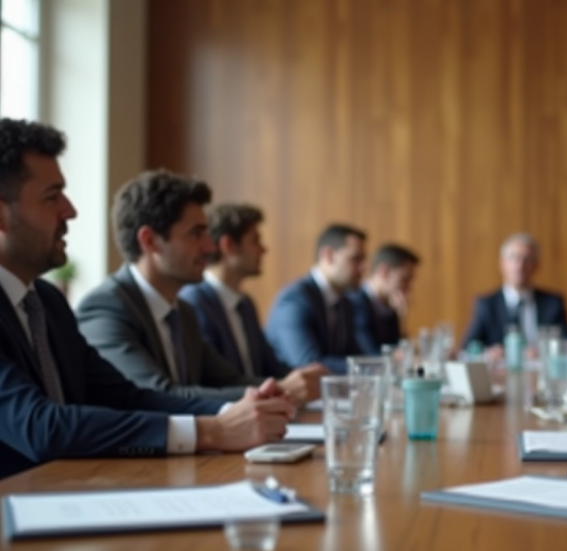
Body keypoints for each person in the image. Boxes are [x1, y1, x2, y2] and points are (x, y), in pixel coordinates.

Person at [0, 119, 292, 478]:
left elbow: (127, 397)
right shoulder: (94, 304)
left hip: (67, 494)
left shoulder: (46, 301)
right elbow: (42, 428)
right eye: (52, 196)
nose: (70, 210)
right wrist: (211, 431)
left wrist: (235, 411)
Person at [76, 172, 320, 403]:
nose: (210, 247)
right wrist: (279, 391)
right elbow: (157, 395)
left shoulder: (183, 311)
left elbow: (229, 381)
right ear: (150, 241)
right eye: (196, 234)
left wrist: (287, 386)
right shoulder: (105, 309)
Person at [178, 203, 328, 399]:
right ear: (229, 245)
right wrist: (285, 387)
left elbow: (269, 366)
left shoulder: (245, 304)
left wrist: (303, 378)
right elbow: (216, 381)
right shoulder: (193, 302)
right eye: (255, 241)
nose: (264, 249)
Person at [266, 224, 367, 373]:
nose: (363, 268)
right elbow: (308, 364)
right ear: (328, 255)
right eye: (355, 259)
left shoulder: (345, 303)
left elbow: (353, 355)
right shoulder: (294, 300)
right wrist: (371, 368)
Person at [461, 233, 567, 358]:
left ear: (536, 265)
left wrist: (543, 353)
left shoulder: (552, 303)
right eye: (513, 258)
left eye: (527, 259)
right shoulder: (487, 304)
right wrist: (487, 354)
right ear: (502, 263)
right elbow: (466, 349)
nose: (519, 266)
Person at [349, 243, 419, 355]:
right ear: (384, 272)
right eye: (405, 279)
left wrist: (402, 318)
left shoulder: (388, 307)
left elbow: (396, 348)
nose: (409, 287)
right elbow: (372, 355)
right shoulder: (355, 302)